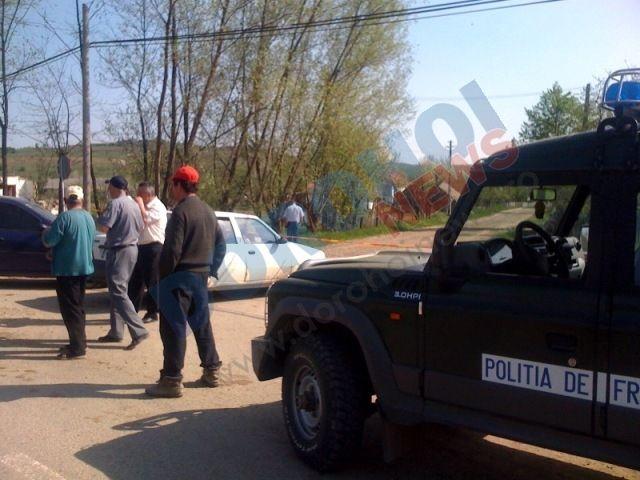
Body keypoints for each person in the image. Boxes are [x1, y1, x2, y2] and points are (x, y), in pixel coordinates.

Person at [146, 165, 222, 398]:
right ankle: (212, 371)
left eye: (173, 184)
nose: (171, 189)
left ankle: (171, 380)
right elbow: (221, 245)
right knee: (201, 324)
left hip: (179, 278)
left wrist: (163, 279)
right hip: (200, 277)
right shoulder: (208, 210)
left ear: (180, 185)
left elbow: (172, 251)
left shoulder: (180, 212)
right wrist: (211, 270)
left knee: (173, 328)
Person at [42, 186, 96, 360]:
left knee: (70, 309)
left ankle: (77, 347)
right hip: (84, 268)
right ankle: (79, 341)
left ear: (66, 201)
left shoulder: (64, 218)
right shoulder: (88, 217)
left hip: (67, 269)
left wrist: (45, 234)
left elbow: (50, 240)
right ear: (82, 200)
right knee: (78, 306)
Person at [97, 175, 149, 350]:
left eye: (109, 186)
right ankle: (116, 331)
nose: (108, 190)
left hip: (119, 250)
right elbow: (142, 226)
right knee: (119, 290)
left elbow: (104, 227)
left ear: (114, 187)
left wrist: (100, 217)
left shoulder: (115, 204)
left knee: (118, 291)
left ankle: (139, 331)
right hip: (132, 248)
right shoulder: (133, 204)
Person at [128, 182, 167, 323]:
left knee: (152, 281)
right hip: (140, 247)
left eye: (140, 193)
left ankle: (152, 312)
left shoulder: (158, 207)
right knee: (135, 281)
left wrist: (140, 205)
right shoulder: (143, 206)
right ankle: (131, 311)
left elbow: (146, 219)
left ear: (148, 194)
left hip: (154, 247)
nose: (138, 196)